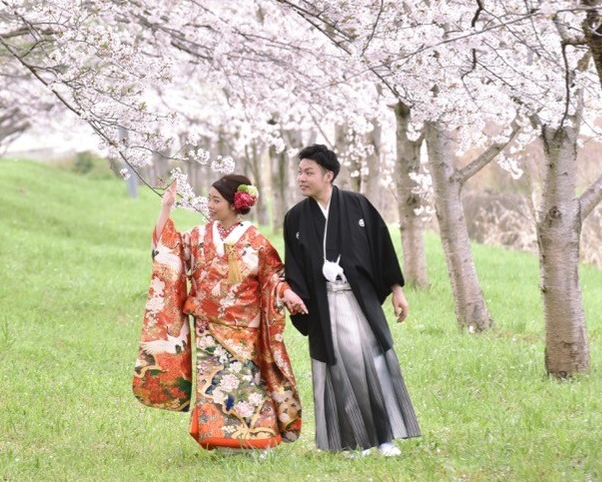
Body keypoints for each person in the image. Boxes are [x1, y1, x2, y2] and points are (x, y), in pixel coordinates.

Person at [133, 174, 304, 452]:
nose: (209, 205)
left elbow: (272, 276)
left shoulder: (254, 239)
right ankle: (224, 442)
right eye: (209, 199)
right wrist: (166, 206)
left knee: (248, 383)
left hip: (244, 326)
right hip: (207, 325)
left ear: (235, 203)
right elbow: (168, 251)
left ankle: (259, 440)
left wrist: (287, 294)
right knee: (214, 387)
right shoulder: (199, 236)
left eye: (216, 200)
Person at [282, 144, 420, 456]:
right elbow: (294, 265)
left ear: (328, 175)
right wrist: (294, 296)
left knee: (372, 363)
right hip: (322, 303)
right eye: (299, 171)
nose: (301, 178)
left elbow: (382, 247)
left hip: (358, 300)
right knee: (337, 369)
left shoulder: (358, 205)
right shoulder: (296, 218)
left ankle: (384, 437)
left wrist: (397, 290)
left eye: (309, 172)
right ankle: (351, 440)